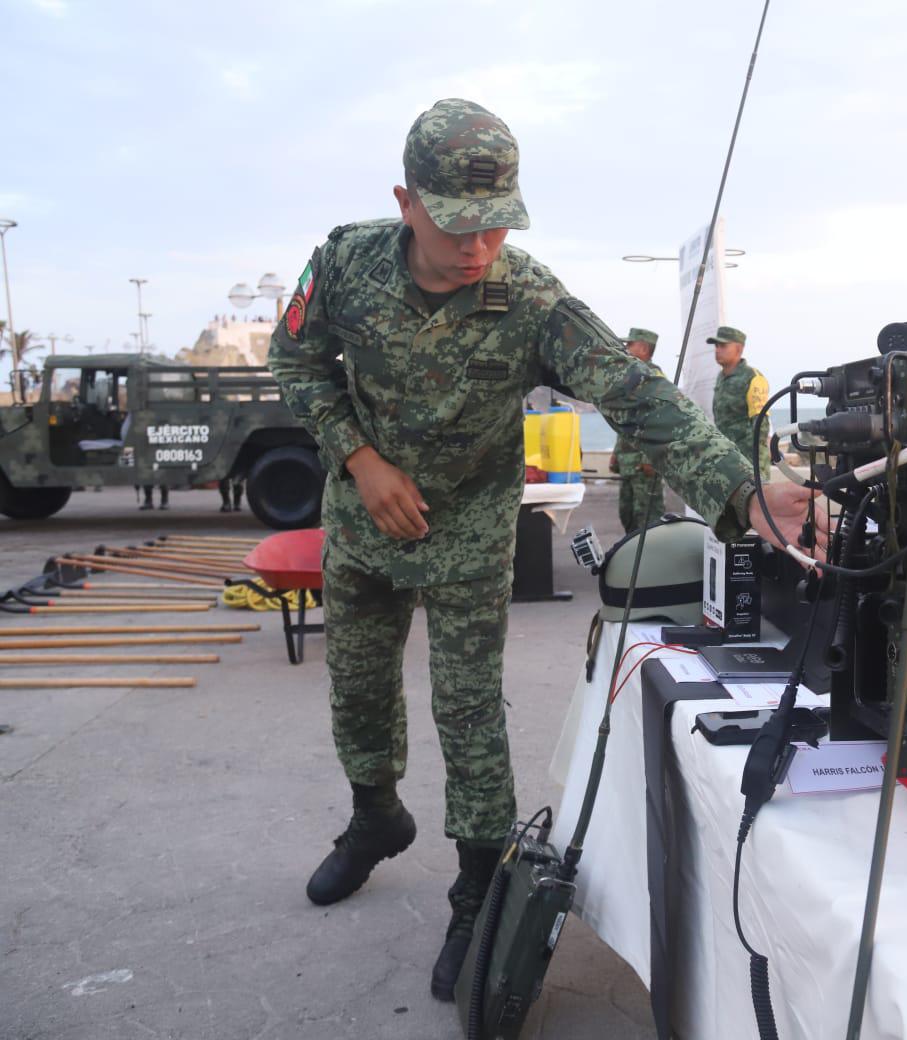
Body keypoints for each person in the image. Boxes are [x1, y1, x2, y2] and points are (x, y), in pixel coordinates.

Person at [266, 99, 817, 1002]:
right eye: (457, 223)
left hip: (471, 529)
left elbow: (638, 397)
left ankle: (477, 882)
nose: (479, 245)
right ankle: (375, 817)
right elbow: (298, 364)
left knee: (468, 706)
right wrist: (360, 461)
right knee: (356, 684)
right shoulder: (343, 261)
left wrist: (740, 493)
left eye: (497, 223)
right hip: (363, 523)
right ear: (406, 201)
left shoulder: (528, 298)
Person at [608, 328, 667, 533]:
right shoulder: (630, 377)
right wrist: (616, 453)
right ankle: (632, 559)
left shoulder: (653, 377)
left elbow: (660, 420)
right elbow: (623, 420)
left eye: (630, 344)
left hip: (644, 465)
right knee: (627, 515)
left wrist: (651, 458)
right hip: (627, 462)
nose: (625, 348)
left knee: (650, 518)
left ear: (643, 348)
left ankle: (652, 560)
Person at [710, 325, 770, 476]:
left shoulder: (753, 377)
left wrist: (755, 467)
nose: (717, 350)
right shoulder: (720, 377)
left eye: (723, 345)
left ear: (738, 349)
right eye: (716, 346)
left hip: (749, 463)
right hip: (727, 459)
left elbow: (761, 424)